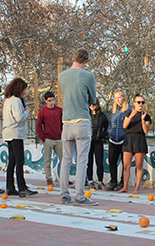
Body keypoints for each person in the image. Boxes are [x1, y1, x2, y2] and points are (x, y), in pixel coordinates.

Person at [58, 47, 98, 206]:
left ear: (73, 58)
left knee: (66, 159)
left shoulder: (62, 75)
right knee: (82, 160)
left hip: (66, 121)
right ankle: (80, 196)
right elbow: (93, 99)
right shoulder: (88, 75)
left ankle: (64, 194)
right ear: (85, 61)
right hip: (82, 120)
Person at [2, 78, 38, 197]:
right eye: (24, 90)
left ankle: (10, 186)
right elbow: (19, 117)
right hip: (15, 133)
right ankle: (22, 187)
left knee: (12, 161)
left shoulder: (7, 100)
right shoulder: (16, 100)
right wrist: (27, 111)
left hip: (8, 132)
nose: (25, 92)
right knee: (19, 160)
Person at [117, 94, 151, 194]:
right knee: (126, 166)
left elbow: (145, 131)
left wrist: (143, 120)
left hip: (139, 139)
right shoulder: (128, 114)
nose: (140, 104)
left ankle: (137, 188)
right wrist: (131, 116)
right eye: (138, 102)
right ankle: (125, 186)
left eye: (142, 102)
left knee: (139, 165)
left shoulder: (146, 115)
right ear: (134, 103)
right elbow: (124, 126)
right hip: (128, 139)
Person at [106, 90, 132, 191]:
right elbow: (110, 124)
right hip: (113, 140)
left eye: (120, 97)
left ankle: (122, 182)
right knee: (112, 161)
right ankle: (113, 181)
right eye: (116, 98)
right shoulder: (114, 110)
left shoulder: (129, 109)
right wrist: (109, 132)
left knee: (124, 163)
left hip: (124, 140)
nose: (118, 99)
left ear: (124, 97)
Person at [36, 91, 63, 186]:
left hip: (59, 139)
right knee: (47, 160)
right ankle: (49, 179)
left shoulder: (60, 110)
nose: (52, 102)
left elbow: (63, 123)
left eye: (53, 100)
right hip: (48, 139)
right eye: (49, 100)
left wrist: (62, 135)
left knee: (64, 159)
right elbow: (38, 126)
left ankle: (64, 178)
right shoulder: (42, 111)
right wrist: (43, 138)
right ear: (45, 101)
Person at [87, 99, 109, 190]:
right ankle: (90, 181)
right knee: (89, 162)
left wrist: (102, 136)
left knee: (99, 162)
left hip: (98, 142)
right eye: (90, 104)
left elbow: (108, 128)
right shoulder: (86, 115)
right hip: (88, 142)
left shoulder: (102, 116)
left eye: (94, 104)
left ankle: (100, 181)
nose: (92, 106)